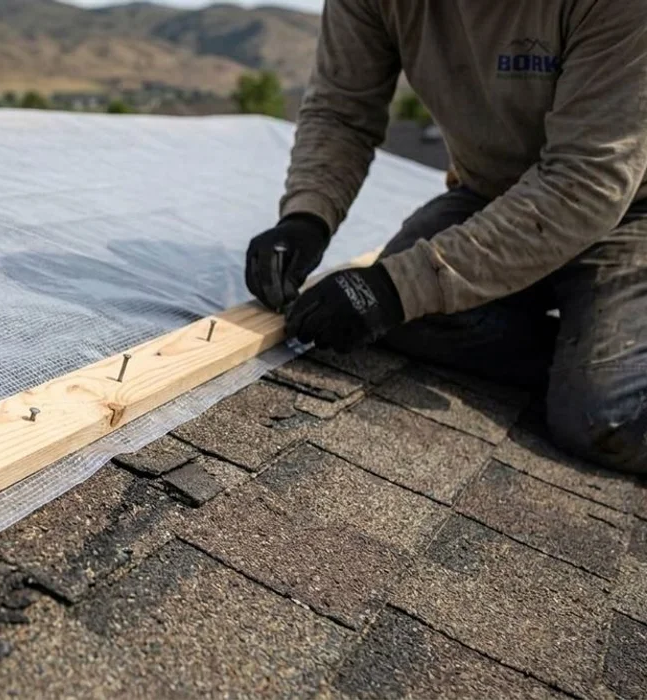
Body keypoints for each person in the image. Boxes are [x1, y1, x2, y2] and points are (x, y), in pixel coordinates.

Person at [244, 0, 647, 475]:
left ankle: (601, 376)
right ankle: (582, 361)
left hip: (630, 214)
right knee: (389, 317)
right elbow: (341, 112)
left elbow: (586, 182)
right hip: (493, 195)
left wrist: (397, 287)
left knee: (607, 416)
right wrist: (306, 217)